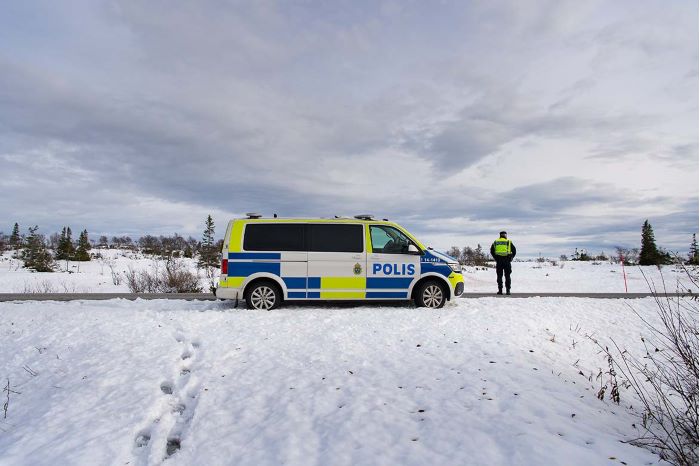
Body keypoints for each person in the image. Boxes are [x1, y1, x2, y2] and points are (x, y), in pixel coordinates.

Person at [490, 231, 516, 295]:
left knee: (499, 276)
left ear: (500, 235)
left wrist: (495, 258)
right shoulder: (508, 242)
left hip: (499, 261)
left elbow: (492, 251)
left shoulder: (496, 242)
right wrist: (511, 258)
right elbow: (514, 250)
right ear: (505, 235)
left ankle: (500, 291)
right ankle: (508, 291)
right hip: (507, 261)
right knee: (507, 276)